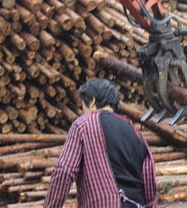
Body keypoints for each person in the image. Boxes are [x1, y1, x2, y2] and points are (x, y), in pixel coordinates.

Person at [44, 78, 158, 208]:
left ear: (92, 102)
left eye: (83, 106)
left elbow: (64, 171)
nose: (83, 111)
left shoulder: (83, 124)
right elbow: (149, 178)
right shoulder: (134, 131)